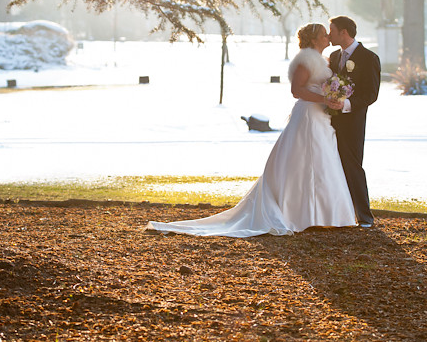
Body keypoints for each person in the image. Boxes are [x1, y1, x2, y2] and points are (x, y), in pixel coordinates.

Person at [147, 23, 357, 237]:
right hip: (307, 116)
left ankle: (322, 215)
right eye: (323, 34)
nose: (328, 37)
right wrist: (324, 99)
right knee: (304, 161)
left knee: (322, 162)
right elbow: (296, 90)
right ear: (313, 39)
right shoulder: (305, 59)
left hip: (320, 117)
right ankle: (300, 214)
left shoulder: (323, 60)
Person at [327, 15, 381, 227]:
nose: (328, 34)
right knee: (331, 166)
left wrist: (346, 104)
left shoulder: (369, 58)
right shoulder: (332, 56)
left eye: (332, 30)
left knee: (353, 166)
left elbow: (371, 94)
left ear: (344, 32)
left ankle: (365, 217)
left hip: (353, 123)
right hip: (328, 121)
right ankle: (338, 214)